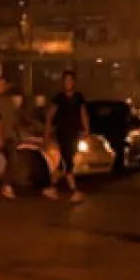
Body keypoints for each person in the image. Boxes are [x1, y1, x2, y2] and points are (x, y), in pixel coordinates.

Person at [44, 69, 90, 203]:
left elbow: (83, 114)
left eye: (70, 80)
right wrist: (47, 133)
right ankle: (74, 190)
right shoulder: (59, 98)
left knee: (62, 164)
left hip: (74, 133)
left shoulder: (79, 97)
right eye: (66, 81)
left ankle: (52, 188)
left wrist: (86, 129)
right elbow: (50, 116)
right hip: (62, 133)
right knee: (67, 162)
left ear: (74, 82)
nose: (68, 83)